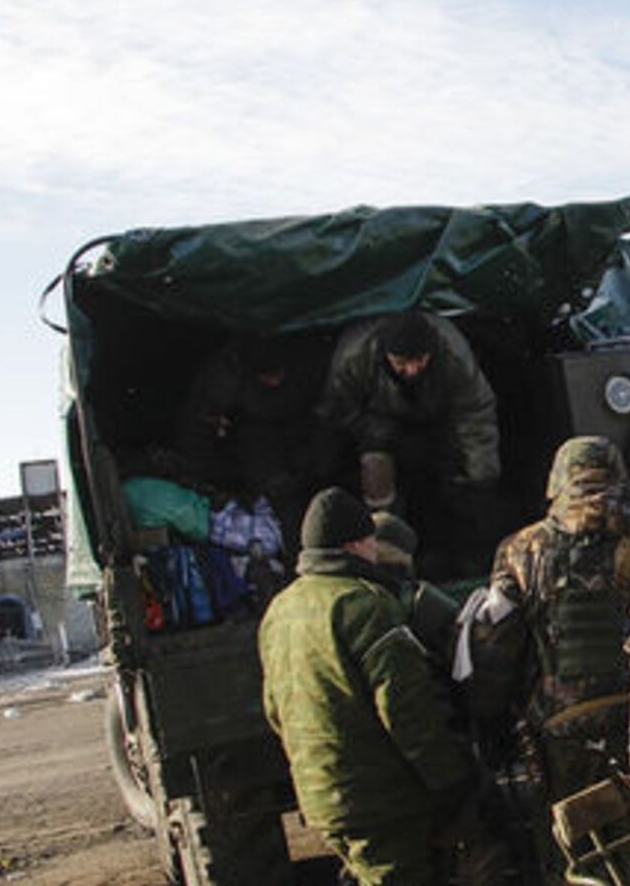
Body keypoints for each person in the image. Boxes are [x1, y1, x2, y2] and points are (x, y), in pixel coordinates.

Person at [259, 487, 478, 886]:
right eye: (372, 540)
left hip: (323, 795)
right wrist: (455, 779)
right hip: (382, 801)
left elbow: (277, 711)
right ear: (356, 543)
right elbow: (406, 709)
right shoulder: (363, 605)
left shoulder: (281, 610)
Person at [483, 436, 630, 880]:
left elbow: (499, 646)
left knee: (574, 847)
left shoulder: (520, 550)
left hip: (562, 726)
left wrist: (491, 718)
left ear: (558, 482)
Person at [318, 310, 501, 581]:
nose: (413, 370)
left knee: (468, 490)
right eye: (402, 362)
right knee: (376, 468)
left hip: (437, 423)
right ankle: (387, 558)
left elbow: (475, 412)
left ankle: (469, 562)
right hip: (377, 429)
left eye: (420, 360)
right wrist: (385, 434)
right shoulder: (355, 356)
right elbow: (339, 409)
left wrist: (481, 476)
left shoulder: (452, 352)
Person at [175, 335, 323, 556]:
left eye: (278, 376)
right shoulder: (223, 379)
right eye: (268, 377)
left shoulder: (304, 365)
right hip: (253, 443)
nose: (275, 382)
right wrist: (200, 478)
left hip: (297, 435)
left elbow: (324, 413)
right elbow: (199, 428)